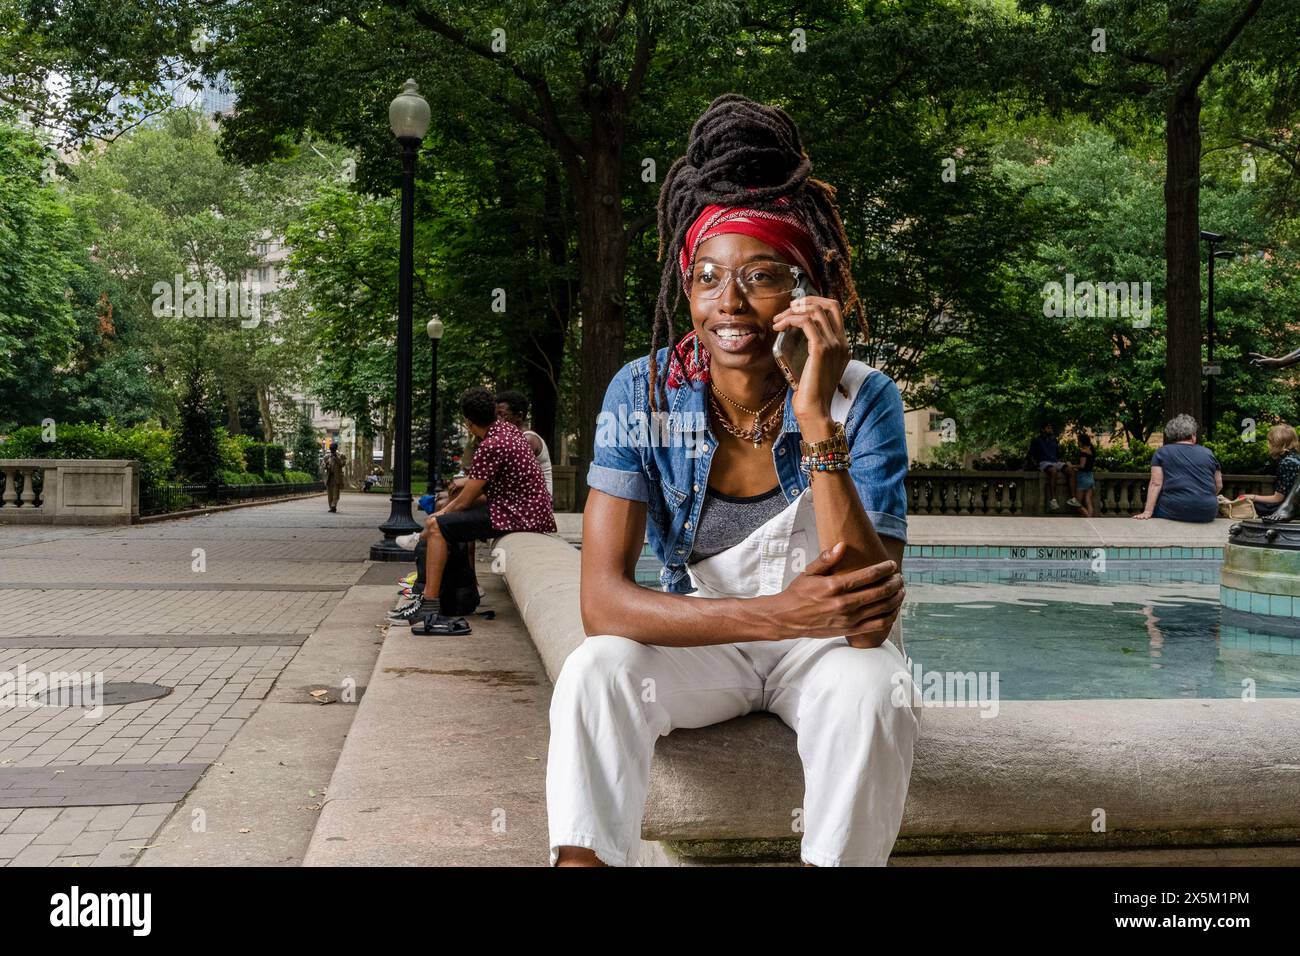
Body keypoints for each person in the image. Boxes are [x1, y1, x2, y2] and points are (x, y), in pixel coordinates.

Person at [546, 94, 917, 869]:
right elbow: (601, 604)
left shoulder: (864, 396)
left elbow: (863, 625)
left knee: (871, 689)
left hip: (827, 650)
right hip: (712, 638)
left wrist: (816, 419)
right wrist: (779, 613)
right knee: (596, 671)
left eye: (762, 276)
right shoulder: (641, 392)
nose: (730, 304)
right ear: (685, 286)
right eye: (708, 276)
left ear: (809, 287)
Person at [390, 386, 556, 633]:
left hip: (518, 512)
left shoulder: (491, 444)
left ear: (468, 422)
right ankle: (427, 587)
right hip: (524, 508)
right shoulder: (507, 431)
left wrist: (438, 515)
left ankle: (429, 603)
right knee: (441, 521)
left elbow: (465, 501)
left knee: (438, 526)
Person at [1133, 414, 1222, 522]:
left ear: (1171, 434)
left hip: (1174, 508)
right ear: (1193, 435)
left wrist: (1147, 512)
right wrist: (1204, 499)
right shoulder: (1208, 453)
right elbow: (1218, 485)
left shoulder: (1162, 452)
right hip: (1208, 511)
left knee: (1157, 511)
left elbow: (1156, 483)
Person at [495, 390, 554, 497]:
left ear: (519, 416)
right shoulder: (511, 438)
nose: (498, 420)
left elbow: (504, 472)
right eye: (496, 415)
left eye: (502, 415)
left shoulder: (528, 439)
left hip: (536, 501)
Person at [1242, 424, 1300, 518]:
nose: (1268, 445)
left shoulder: (1286, 463)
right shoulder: (1296, 458)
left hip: (1291, 509)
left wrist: (1252, 497)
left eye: (1269, 442)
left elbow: (1277, 498)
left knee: (1253, 505)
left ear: (1278, 444)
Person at [1028, 421, 1077, 512]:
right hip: (1044, 462)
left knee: (1070, 470)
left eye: (1051, 428)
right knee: (1053, 471)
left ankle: (1073, 498)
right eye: (1048, 428)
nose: (1050, 430)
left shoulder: (1054, 440)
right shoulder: (1037, 440)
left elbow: (1058, 454)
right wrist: (1036, 465)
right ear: (1043, 429)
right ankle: (1053, 500)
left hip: (1055, 461)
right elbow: (1031, 455)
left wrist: (1062, 462)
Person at [1074, 432, 1096, 517]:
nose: (1078, 443)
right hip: (1090, 477)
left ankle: (1088, 517)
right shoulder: (1092, 451)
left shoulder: (1083, 451)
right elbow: (1087, 465)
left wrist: (1071, 466)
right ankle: (1091, 519)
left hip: (1083, 478)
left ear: (1082, 442)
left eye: (1078, 441)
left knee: (1077, 503)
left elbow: (1082, 465)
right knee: (1088, 502)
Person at [323, 441, 345, 513]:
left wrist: (336, 457)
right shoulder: (327, 456)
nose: (332, 451)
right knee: (330, 494)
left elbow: (342, 464)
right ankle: (331, 507)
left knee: (336, 493)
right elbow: (323, 465)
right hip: (329, 477)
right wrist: (326, 465)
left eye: (333, 449)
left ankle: (333, 505)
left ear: (336, 449)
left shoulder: (340, 455)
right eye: (331, 449)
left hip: (337, 477)